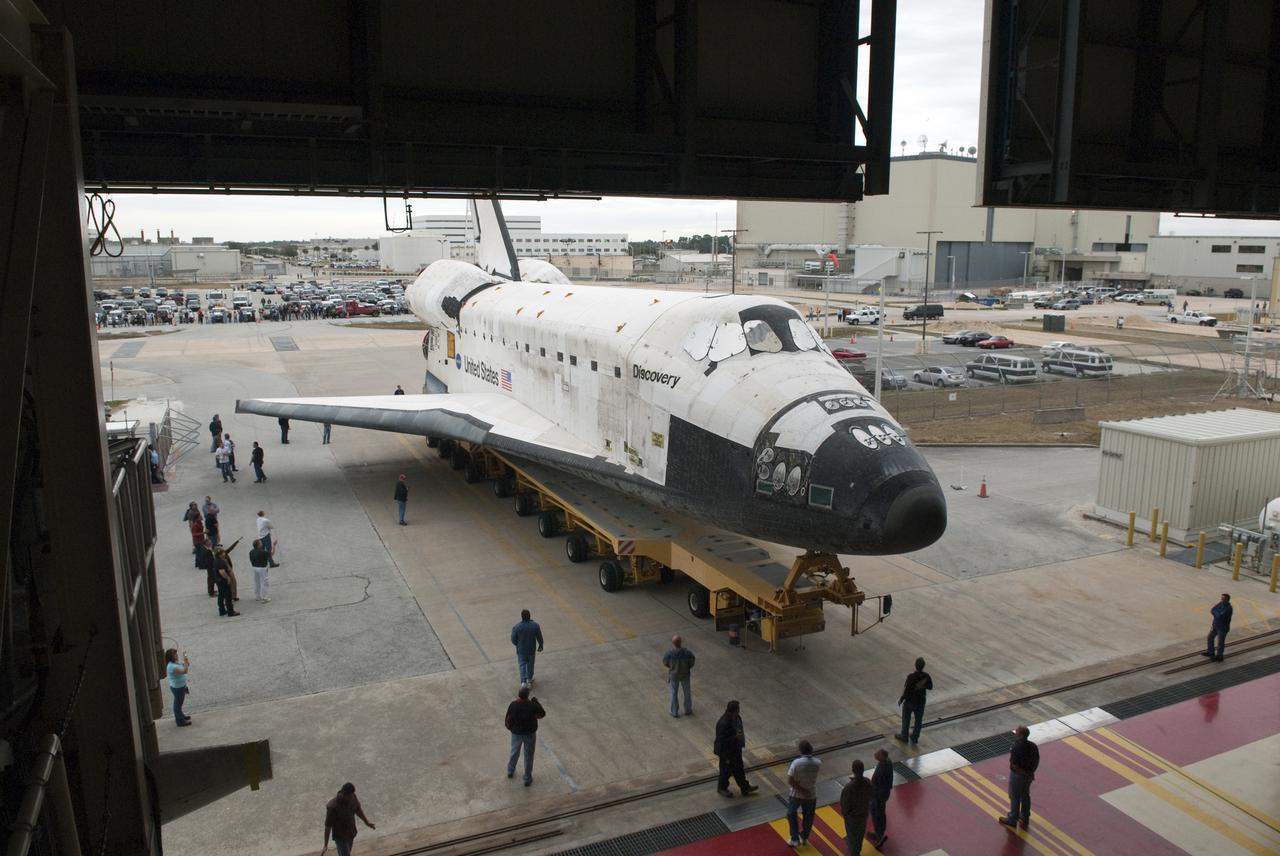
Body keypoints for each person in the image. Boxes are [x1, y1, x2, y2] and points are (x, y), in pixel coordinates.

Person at [713, 700, 758, 798]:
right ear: (733, 711)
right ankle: (722, 788)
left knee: (739, 768)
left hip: (735, 748)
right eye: (738, 710)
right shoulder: (723, 723)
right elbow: (722, 741)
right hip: (726, 752)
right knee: (726, 770)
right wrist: (735, 737)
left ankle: (744, 787)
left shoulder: (736, 718)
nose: (739, 712)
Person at [998, 726, 1040, 830]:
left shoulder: (1016, 747)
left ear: (1020, 735)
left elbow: (1013, 764)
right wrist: (1030, 773)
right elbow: (1036, 760)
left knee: (1014, 796)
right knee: (1025, 795)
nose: (1015, 732)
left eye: (1017, 731)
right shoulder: (1033, 746)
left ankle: (1012, 819)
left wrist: (1023, 773)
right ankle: (1025, 816)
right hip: (1029, 775)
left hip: (1018, 776)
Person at [504, 686, 546, 786]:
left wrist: (511, 729)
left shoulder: (513, 705)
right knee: (528, 755)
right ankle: (527, 778)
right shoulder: (532, 705)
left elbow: (508, 719)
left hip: (516, 734)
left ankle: (510, 771)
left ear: (519, 694)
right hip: (530, 734)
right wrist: (537, 702)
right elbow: (542, 714)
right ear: (528, 695)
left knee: (514, 752)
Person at [322, 782, 375, 856]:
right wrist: (325, 845)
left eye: (352, 795)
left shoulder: (353, 797)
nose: (351, 797)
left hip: (351, 833)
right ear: (343, 793)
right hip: (340, 837)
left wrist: (366, 822)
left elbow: (358, 809)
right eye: (349, 796)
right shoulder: (332, 807)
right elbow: (328, 827)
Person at [785, 740, 822, 847]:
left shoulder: (796, 763)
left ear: (800, 750)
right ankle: (804, 837)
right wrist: (807, 791)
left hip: (796, 794)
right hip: (812, 794)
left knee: (791, 814)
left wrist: (802, 790)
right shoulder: (818, 762)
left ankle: (794, 838)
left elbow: (790, 781)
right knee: (808, 817)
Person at [895, 657, 933, 744]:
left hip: (910, 701)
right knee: (918, 720)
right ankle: (915, 737)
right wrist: (922, 686)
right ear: (923, 666)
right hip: (920, 702)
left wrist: (902, 699)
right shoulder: (926, 676)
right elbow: (930, 687)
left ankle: (904, 736)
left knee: (906, 719)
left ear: (915, 665)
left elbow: (906, 689)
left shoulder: (911, 677)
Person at [840, 759, 873, 855]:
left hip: (852, 816)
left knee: (852, 833)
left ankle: (855, 851)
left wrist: (845, 814)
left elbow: (845, 803)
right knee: (860, 833)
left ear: (853, 770)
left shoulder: (849, 787)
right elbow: (871, 795)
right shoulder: (867, 782)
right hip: (863, 813)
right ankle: (856, 848)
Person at [662, 634, 695, 717]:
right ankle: (687, 710)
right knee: (687, 692)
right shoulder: (687, 653)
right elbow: (692, 661)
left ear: (673, 643)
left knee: (674, 693)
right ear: (680, 642)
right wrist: (687, 667)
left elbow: (665, 662)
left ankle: (674, 712)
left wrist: (672, 667)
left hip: (674, 676)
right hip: (685, 674)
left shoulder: (669, 654)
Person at [511, 609, 544, 687]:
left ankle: (523, 682)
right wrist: (541, 645)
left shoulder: (517, 627)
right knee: (530, 665)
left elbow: (513, 639)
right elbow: (539, 637)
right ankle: (529, 679)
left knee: (522, 665)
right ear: (529, 616)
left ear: (521, 617)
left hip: (521, 650)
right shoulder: (535, 625)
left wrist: (518, 645)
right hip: (531, 650)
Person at [869, 748, 893, 847]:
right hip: (882, 794)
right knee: (878, 813)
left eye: (877, 754)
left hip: (878, 795)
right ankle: (878, 832)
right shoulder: (887, 761)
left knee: (877, 814)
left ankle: (879, 836)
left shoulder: (883, 767)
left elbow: (877, 781)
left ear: (881, 757)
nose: (875, 754)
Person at [165, 648, 192, 726]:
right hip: (177, 688)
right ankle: (180, 721)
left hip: (180, 686)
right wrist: (185, 661)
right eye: (175, 655)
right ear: (171, 657)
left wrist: (186, 659)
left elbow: (187, 665)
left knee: (179, 703)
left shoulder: (175, 663)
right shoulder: (171, 666)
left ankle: (181, 716)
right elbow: (185, 671)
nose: (177, 655)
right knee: (178, 704)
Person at [1203, 593, 1233, 662]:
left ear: (1227, 600)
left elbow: (1219, 616)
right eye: (1221, 598)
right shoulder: (1220, 603)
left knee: (1220, 642)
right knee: (1210, 637)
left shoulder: (1228, 608)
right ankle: (1211, 652)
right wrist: (1217, 613)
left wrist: (1216, 613)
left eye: (1223, 599)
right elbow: (1212, 610)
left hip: (1222, 628)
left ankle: (1220, 656)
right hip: (1215, 625)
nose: (1221, 599)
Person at [214, 547, 239, 616]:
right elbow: (222, 572)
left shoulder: (216, 560)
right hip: (223, 581)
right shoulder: (221, 562)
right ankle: (230, 611)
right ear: (220, 554)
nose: (224, 553)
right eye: (223, 553)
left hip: (218, 580)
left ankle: (221, 610)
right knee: (228, 596)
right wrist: (228, 578)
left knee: (221, 596)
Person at [250, 538, 272, 603]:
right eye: (260, 543)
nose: (261, 543)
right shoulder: (262, 552)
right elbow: (271, 553)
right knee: (264, 582)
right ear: (258, 545)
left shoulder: (251, 552)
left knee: (257, 582)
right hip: (262, 568)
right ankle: (265, 598)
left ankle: (258, 596)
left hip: (254, 568)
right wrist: (274, 546)